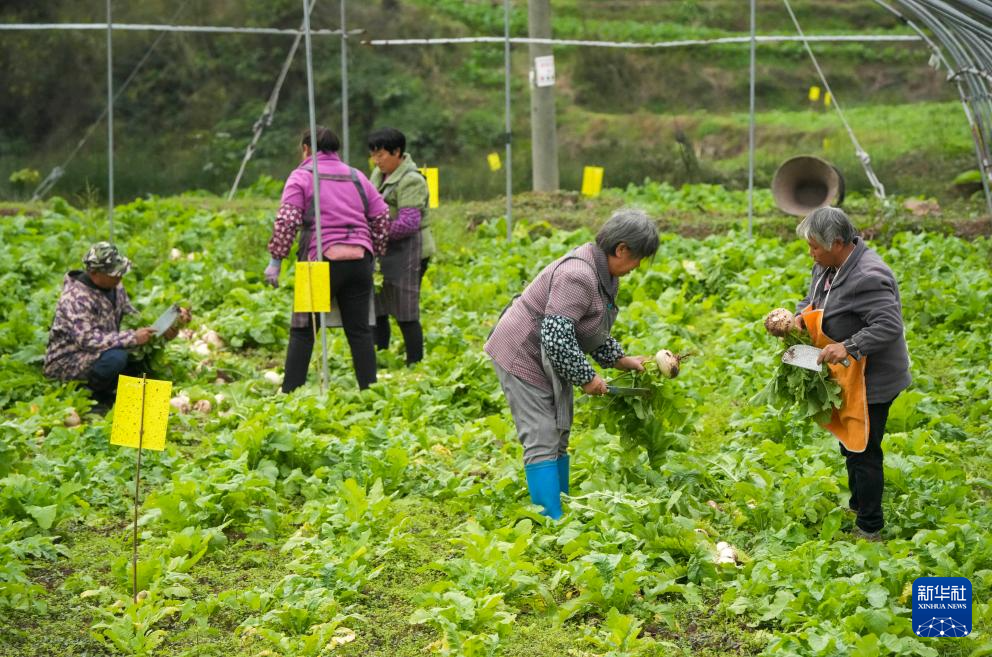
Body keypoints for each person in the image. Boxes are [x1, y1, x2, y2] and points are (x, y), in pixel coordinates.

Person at [485, 209, 659, 519]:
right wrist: (587, 377)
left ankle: (561, 506)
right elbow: (556, 337)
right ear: (621, 249)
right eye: (638, 258)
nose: (638, 267)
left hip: (549, 354)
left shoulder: (604, 275)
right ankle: (550, 519)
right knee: (541, 432)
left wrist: (620, 360)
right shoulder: (578, 275)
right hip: (523, 351)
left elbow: (587, 329)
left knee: (559, 429)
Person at [771, 206, 911, 541]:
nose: (810, 253)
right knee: (849, 443)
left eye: (814, 247)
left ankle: (870, 527)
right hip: (847, 373)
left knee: (863, 449)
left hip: (872, 377)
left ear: (836, 242)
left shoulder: (867, 276)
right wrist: (796, 319)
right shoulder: (827, 266)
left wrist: (849, 345)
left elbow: (889, 325)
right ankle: (859, 503)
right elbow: (812, 300)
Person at [264, 126, 390, 391]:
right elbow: (381, 217)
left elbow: (287, 220)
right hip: (359, 260)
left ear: (306, 149)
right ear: (336, 150)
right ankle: (371, 392)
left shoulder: (302, 176)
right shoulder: (357, 177)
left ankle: (291, 392)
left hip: (319, 262)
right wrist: (375, 252)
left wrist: (276, 260)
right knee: (359, 331)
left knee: (304, 329)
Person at [43, 242, 191, 406]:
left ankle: (114, 389)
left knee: (134, 357)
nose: (119, 277)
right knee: (116, 358)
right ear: (95, 273)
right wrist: (132, 337)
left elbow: (132, 316)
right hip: (69, 360)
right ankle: (93, 397)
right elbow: (87, 340)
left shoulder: (115, 286)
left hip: (101, 349)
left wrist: (165, 328)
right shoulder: (75, 298)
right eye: (114, 273)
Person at [367, 127, 431, 365]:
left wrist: (372, 234)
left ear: (397, 152)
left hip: (410, 252)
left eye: (381, 155)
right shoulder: (377, 175)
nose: (377, 160)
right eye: (374, 155)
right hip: (386, 250)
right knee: (379, 307)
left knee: (406, 310)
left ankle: (414, 363)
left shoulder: (411, 179)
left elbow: (408, 223)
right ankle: (380, 358)